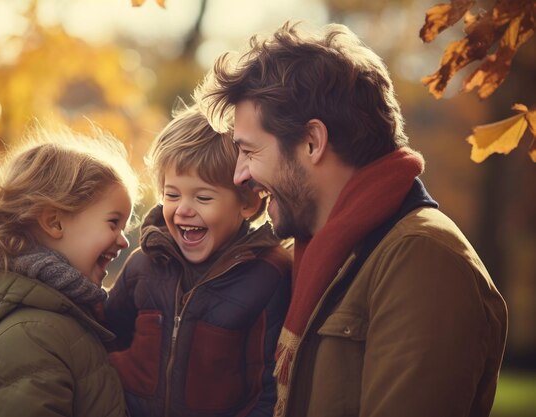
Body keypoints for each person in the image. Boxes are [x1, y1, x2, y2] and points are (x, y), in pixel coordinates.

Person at [196, 21, 508, 417]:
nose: (239, 175)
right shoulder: (321, 256)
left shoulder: (422, 260)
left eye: (250, 151)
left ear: (312, 141)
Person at [0, 124, 138, 417]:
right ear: (54, 222)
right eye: (113, 222)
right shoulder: (31, 336)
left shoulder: (68, 316)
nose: (123, 240)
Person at [103, 104, 291, 417]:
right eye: (172, 195)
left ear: (246, 202)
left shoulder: (268, 275)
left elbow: (268, 388)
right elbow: (105, 339)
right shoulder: (144, 265)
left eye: (202, 198)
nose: (183, 210)